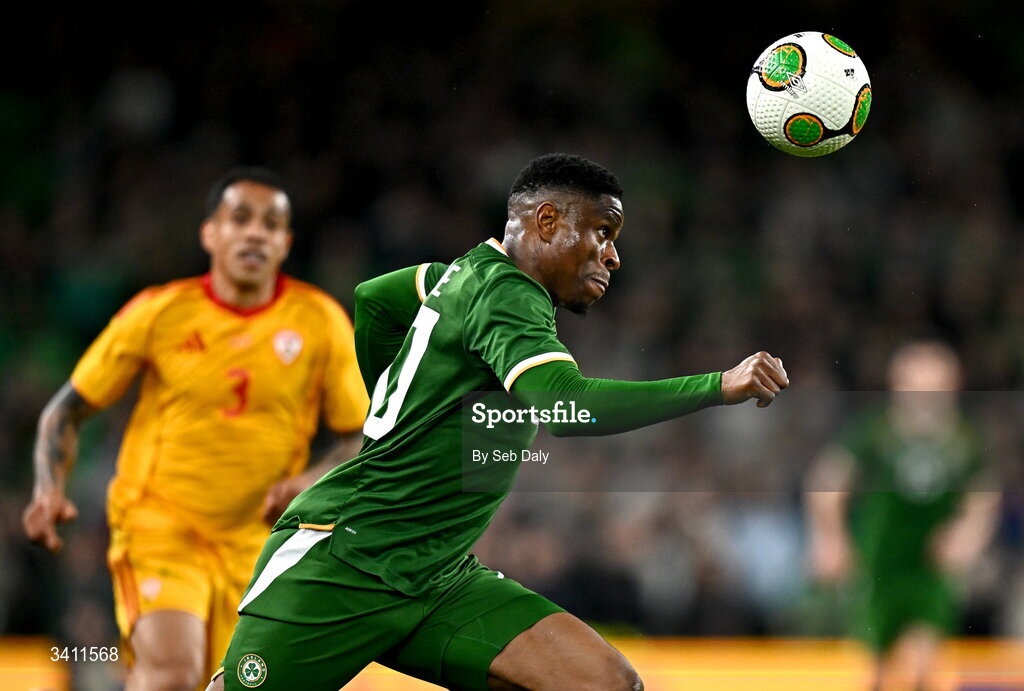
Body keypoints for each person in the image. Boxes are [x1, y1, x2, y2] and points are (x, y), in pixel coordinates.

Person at [208, 153, 789, 691]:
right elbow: (567, 406)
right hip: (347, 561)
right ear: (544, 221)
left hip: (439, 575)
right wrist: (716, 385)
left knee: (604, 682)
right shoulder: (508, 293)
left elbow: (375, 300)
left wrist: (396, 414)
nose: (613, 255)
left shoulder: (461, 275)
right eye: (603, 232)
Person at [22, 167, 370, 691]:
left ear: (286, 243)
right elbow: (65, 411)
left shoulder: (320, 322)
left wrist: (310, 481)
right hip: (161, 526)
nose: (255, 232)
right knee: (174, 677)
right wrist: (49, 491)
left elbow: (358, 438)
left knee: (231, 684)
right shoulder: (159, 313)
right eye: (240, 218)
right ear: (210, 233)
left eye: (271, 224)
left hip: (256, 543)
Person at [805, 341, 1001, 691]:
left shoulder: (962, 440)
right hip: (877, 564)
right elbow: (828, 481)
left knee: (923, 663)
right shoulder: (876, 433)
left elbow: (983, 496)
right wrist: (829, 538)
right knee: (873, 669)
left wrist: (968, 536)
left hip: (930, 569)